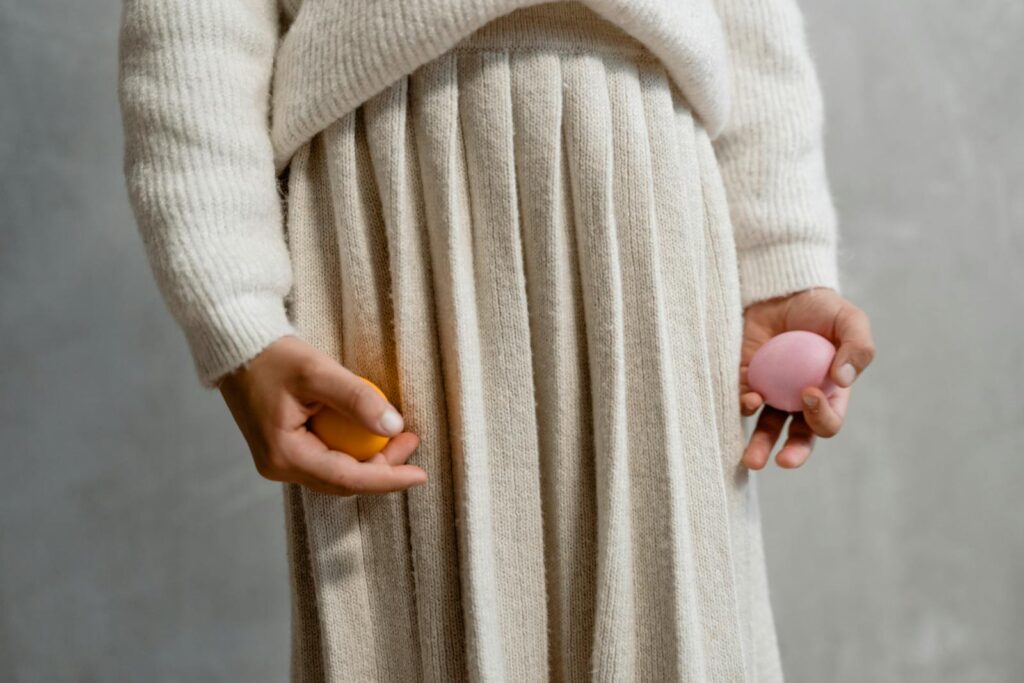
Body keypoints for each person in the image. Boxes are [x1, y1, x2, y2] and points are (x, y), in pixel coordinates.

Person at [117, 0, 876, 680]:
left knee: (669, 625)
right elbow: (193, 24)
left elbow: (754, 23)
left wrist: (782, 260)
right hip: (389, 196)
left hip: (646, 185)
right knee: (415, 636)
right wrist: (234, 315)